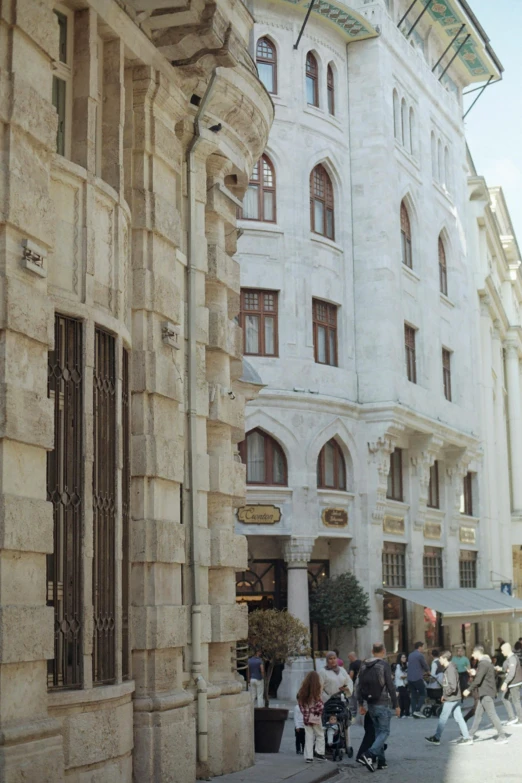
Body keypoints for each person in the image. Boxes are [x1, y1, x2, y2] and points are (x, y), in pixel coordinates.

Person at [358, 642, 400, 772]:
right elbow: (390, 686)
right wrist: (396, 705)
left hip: (370, 704)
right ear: (383, 651)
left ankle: (381, 761)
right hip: (382, 702)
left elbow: (359, 686)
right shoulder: (384, 665)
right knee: (384, 732)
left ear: (372, 651)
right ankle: (369, 754)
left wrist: (360, 704)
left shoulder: (364, 665)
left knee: (378, 733)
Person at [425, 650, 473, 746]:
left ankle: (436, 738)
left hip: (452, 698)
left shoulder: (450, 669)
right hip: (454, 697)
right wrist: (444, 694)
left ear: (445, 658)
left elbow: (453, 686)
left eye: (440, 659)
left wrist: (446, 695)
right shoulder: (449, 668)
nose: (439, 661)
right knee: (459, 718)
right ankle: (467, 737)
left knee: (443, 717)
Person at [463, 645, 509, 744]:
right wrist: (475, 673)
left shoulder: (483, 663)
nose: (472, 655)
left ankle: (502, 736)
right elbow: (483, 676)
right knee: (478, 715)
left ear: (477, 653)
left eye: (473, 653)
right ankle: (470, 735)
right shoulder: (486, 663)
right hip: (485, 692)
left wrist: (468, 689)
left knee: (492, 714)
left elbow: (479, 680)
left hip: (486, 692)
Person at [297, 671, 326, 763]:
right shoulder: (317, 690)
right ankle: (319, 753)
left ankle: (308, 756)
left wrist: (305, 712)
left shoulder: (302, 691)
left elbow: (300, 705)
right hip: (315, 715)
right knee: (319, 734)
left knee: (309, 735)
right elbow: (320, 705)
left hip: (306, 715)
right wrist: (318, 712)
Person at [498, 642, 522, 726]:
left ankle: (520, 719)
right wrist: (500, 668)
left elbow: (511, 672)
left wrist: (505, 683)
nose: (502, 652)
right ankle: (512, 717)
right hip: (512, 683)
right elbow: (507, 670)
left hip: (514, 683)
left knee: (516, 701)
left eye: (502, 650)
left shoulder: (512, 658)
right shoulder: (509, 658)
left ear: (507, 650)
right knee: (504, 698)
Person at [407, 641, 429, 718]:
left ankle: (413, 712)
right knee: (423, 693)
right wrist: (428, 671)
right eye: (423, 647)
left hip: (410, 678)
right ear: (419, 647)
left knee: (413, 695)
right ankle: (417, 710)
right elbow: (425, 665)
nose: (423, 649)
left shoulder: (410, 655)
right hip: (417, 678)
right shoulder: (420, 655)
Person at [394, 653, 410, 717]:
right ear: (400, 659)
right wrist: (408, 675)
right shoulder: (398, 666)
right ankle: (405, 712)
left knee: (403, 699)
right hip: (400, 684)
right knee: (405, 699)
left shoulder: (406, 665)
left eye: (405, 657)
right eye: (403, 657)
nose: (404, 659)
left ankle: (402, 712)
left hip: (405, 684)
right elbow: (400, 676)